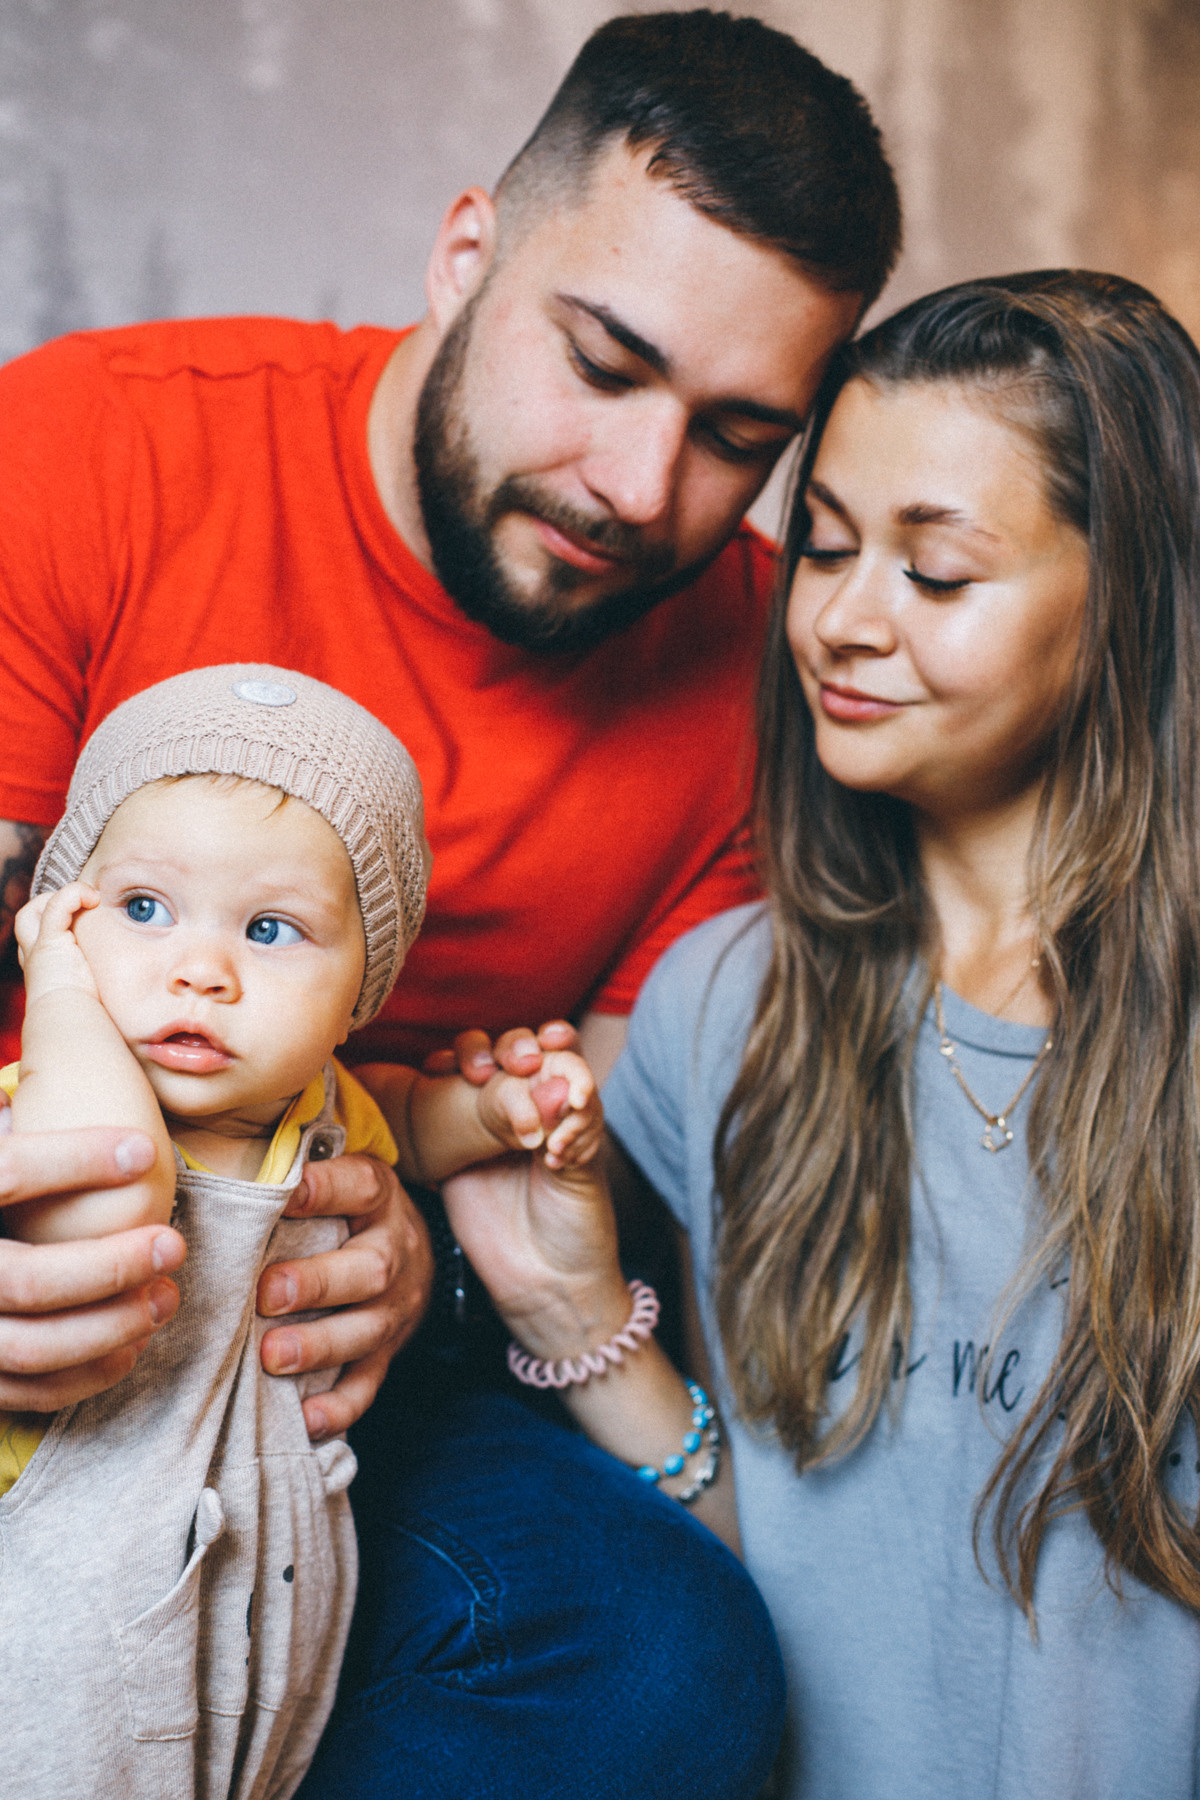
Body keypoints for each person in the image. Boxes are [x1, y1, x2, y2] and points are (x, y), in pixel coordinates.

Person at [0, 13, 898, 1796]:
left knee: (665, 1664)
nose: (644, 491)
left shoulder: (749, 675)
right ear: (467, 251)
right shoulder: (90, 448)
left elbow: (591, 1170)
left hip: (338, 1364)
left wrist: (432, 1268)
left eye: (738, 437)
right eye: (605, 365)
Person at [448, 270, 1200, 1798]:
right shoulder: (722, 1008)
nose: (842, 621)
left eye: (937, 575)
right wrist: (573, 1313)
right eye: (828, 549)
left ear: (1128, 591)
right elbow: (774, 1576)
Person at [0, 662, 602, 1800]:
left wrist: (498, 1113)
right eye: (140, 910)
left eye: (270, 930)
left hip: (252, 1593)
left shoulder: (321, 1106)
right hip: (57, 1588)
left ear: (361, 988)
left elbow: (407, 1132)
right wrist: (63, 993)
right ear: (65, 920)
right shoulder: (53, 1094)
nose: (200, 969)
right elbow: (105, 1202)